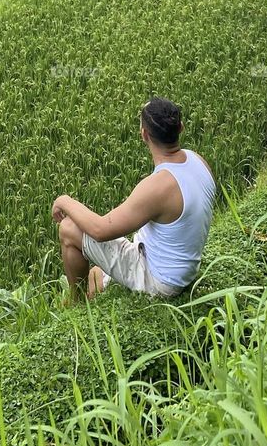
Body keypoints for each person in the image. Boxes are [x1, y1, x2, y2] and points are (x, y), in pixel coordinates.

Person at [52, 96, 216, 302]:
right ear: (181, 127)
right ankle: (95, 287)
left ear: (144, 135)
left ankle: (75, 303)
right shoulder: (197, 160)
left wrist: (65, 200)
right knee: (95, 273)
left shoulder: (158, 187)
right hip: (184, 269)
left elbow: (100, 230)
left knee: (68, 228)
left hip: (161, 281)